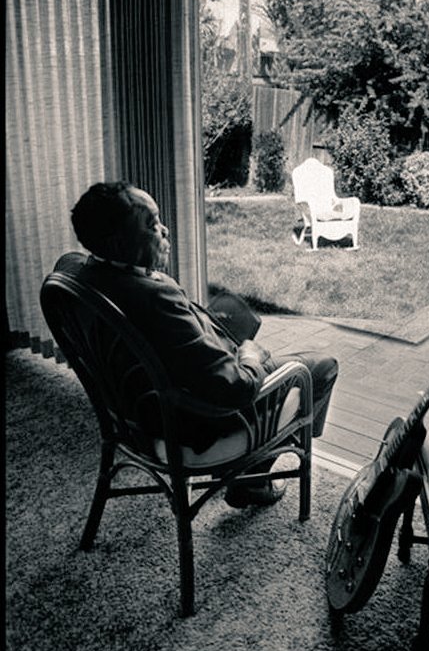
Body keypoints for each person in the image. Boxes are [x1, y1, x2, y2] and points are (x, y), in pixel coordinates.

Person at [58, 181, 338, 508]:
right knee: (321, 367)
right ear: (119, 243)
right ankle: (253, 478)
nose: (164, 230)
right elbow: (235, 389)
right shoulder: (155, 299)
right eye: (151, 226)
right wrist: (249, 356)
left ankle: (257, 456)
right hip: (191, 418)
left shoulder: (74, 270)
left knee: (235, 319)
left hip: (133, 407)